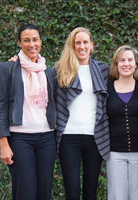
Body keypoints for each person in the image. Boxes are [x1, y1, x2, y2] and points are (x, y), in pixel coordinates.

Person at [0, 24, 57, 200]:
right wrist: (3, 143)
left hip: (47, 138)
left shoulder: (48, 71)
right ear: (20, 43)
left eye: (35, 39)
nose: (32, 44)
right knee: (25, 193)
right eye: (26, 40)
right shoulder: (8, 68)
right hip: (20, 139)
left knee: (44, 192)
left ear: (41, 42)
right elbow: (0, 105)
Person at [54, 27, 110, 200]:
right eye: (77, 43)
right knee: (72, 190)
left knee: (91, 190)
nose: (81, 46)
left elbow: (126, 79)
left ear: (92, 45)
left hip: (95, 136)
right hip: (68, 136)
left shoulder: (103, 69)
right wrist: (15, 61)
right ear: (72, 45)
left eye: (85, 42)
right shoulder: (60, 69)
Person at [106, 45, 138, 200]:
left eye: (130, 60)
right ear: (116, 64)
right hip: (114, 152)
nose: (126, 64)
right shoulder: (107, 88)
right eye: (122, 60)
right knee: (116, 196)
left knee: (136, 196)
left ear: (136, 64)